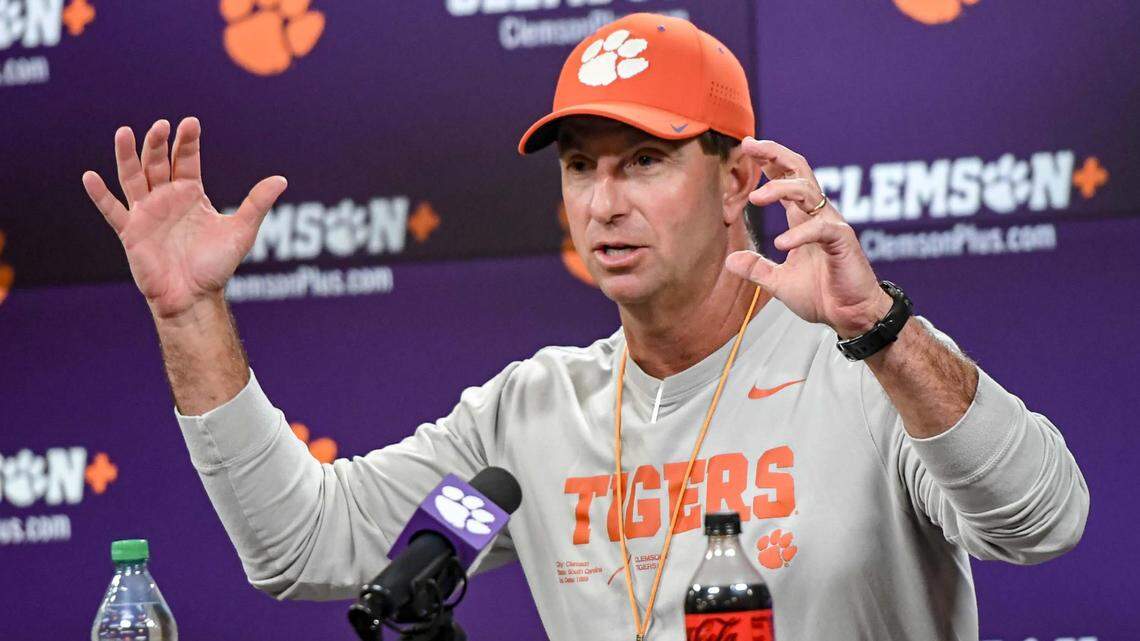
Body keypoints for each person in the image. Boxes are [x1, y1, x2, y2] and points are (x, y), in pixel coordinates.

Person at [81, 13, 1088, 641]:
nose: (603, 202)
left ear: (739, 182)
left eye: (642, 162)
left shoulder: (867, 366)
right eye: (579, 166)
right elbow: (305, 543)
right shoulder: (532, 418)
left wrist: (880, 331)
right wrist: (190, 309)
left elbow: (1044, 521)